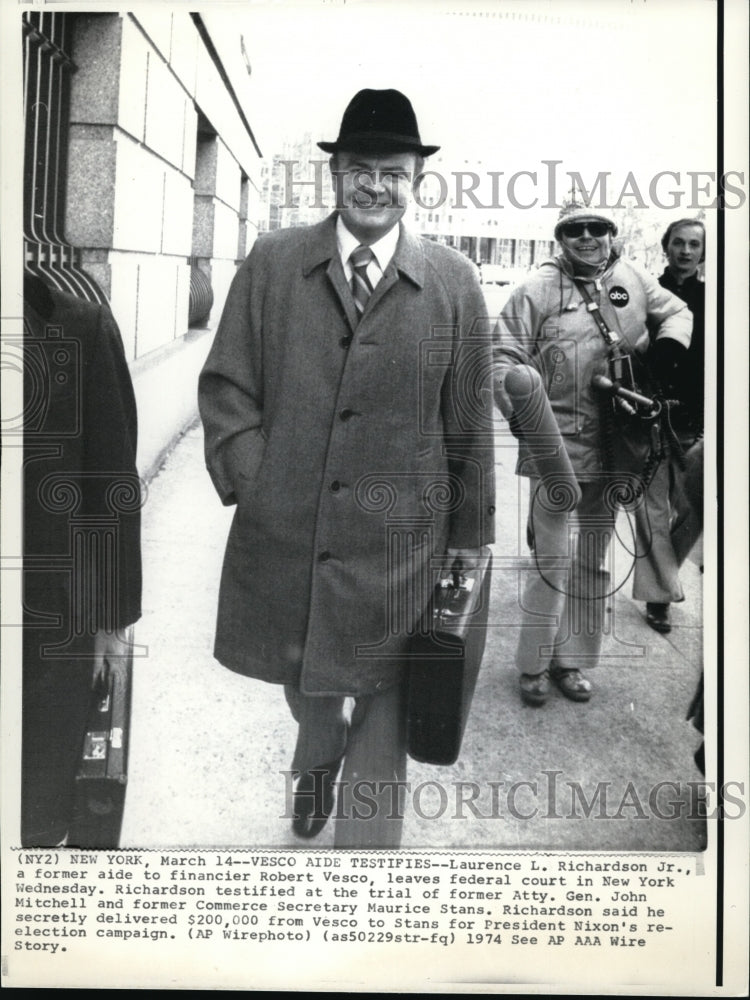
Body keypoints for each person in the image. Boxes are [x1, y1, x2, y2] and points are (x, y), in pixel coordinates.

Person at [198, 89, 495, 848]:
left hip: (402, 551)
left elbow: (468, 425)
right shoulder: (273, 263)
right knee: (310, 685)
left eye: (392, 172)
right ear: (333, 175)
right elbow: (228, 385)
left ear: (416, 182)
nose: (375, 186)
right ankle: (317, 749)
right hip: (292, 534)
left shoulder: (455, 283)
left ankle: (366, 883)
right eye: (360, 168)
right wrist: (254, 478)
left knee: (385, 708)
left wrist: (470, 537)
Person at [493, 203, 692, 707]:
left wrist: (668, 349)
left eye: (596, 228)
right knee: (553, 559)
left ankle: (572, 661)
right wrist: (519, 413)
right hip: (555, 443)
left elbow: (677, 311)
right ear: (560, 238)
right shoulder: (536, 289)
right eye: (574, 230)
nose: (587, 237)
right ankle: (534, 665)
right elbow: (502, 358)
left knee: (592, 560)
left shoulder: (632, 278)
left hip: (614, 443)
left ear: (610, 234)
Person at [22, 274, 142, 846]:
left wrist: (109, 625)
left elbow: (110, 489)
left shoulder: (78, 326)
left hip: (45, 630)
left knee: (38, 816)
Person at [632, 219, 705, 634]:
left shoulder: (717, 299)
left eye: (694, 244)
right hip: (649, 418)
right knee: (653, 511)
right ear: (666, 246)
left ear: (703, 252)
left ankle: (664, 574)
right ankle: (659, 596)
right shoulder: (645, 293)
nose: (685, 250)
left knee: (694, 508)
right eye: (678, 242)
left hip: (693, 420)